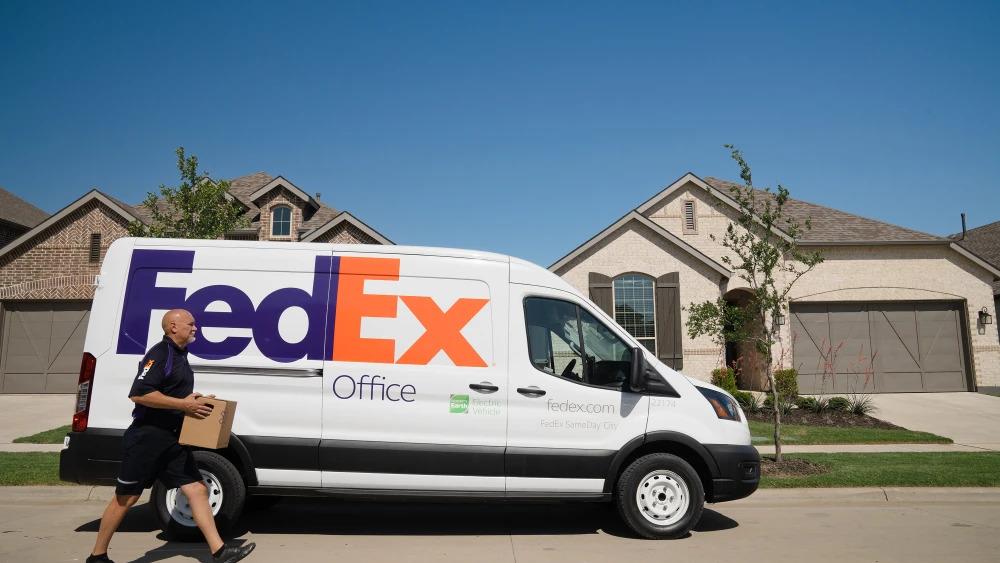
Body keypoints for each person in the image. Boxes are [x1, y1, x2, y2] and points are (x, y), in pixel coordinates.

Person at [87, 309, 255, 563]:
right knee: (127, 497)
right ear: (173, 327)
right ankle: (97, 556)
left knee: (197, 490)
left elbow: (174, 394)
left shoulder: (180, 356)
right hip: (148, 438)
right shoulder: (160, 354)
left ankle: (220, 551)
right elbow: (139, 394)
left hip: (173, 439)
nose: (195, 328)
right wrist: (183, 406)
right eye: (191, 324)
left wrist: (194, 400)